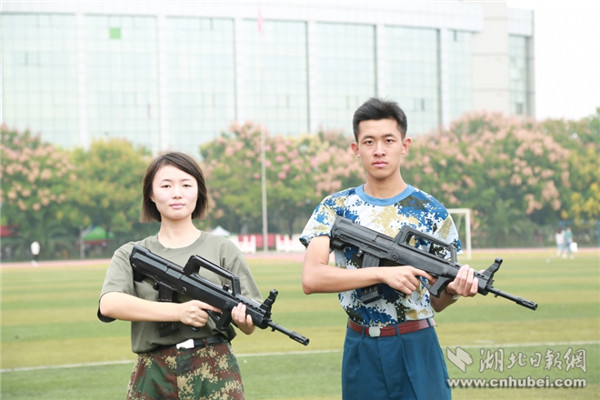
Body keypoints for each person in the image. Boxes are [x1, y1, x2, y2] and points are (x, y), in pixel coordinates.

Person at [300, 98, 479, 400]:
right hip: (361, 345)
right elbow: (312, 278)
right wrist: (383, 274)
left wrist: (453, 290)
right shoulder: (334, 207)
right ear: (356, 149)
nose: (379, 150)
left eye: (388, 140)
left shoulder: (431, 211)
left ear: (404, 145)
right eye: (369, 142)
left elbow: (438, 302)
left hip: (417, 342)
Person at [98, 152, 262, 399]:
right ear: (151, 194)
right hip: (153, 371)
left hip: (215, 368)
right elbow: (109, 304)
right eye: (166, 186)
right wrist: (178, 312)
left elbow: (249, 324)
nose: (177, 193)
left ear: (198, 192)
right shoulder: (130, 253)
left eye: (186, 185)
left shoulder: (223, 249)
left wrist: (244, 320)